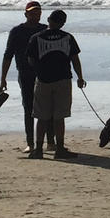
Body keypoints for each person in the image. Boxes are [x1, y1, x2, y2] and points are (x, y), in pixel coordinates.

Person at [24, 9, 86, 160]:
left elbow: (30, 60)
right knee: (59, 117)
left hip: (43, 81)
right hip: (63, 80)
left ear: (48, 19)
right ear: (63, 23)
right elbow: (74, 59)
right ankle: (59, 149)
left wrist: (39, 71)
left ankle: (38, 149)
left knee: (41, 116)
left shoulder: (36, 38)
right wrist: (80, 77)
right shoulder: (68, 37)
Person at [0, 0, 49, 154]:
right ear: (26, 14)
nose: (36, 15)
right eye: (32, 13)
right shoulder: (17, 31)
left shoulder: (45, 29)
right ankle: (30, 143)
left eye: (38, 13)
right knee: (28, 107)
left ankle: (51, 141)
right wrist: (3, 78)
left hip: (44, 74)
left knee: (47, 108)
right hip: (25, 73)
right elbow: (8, 55)